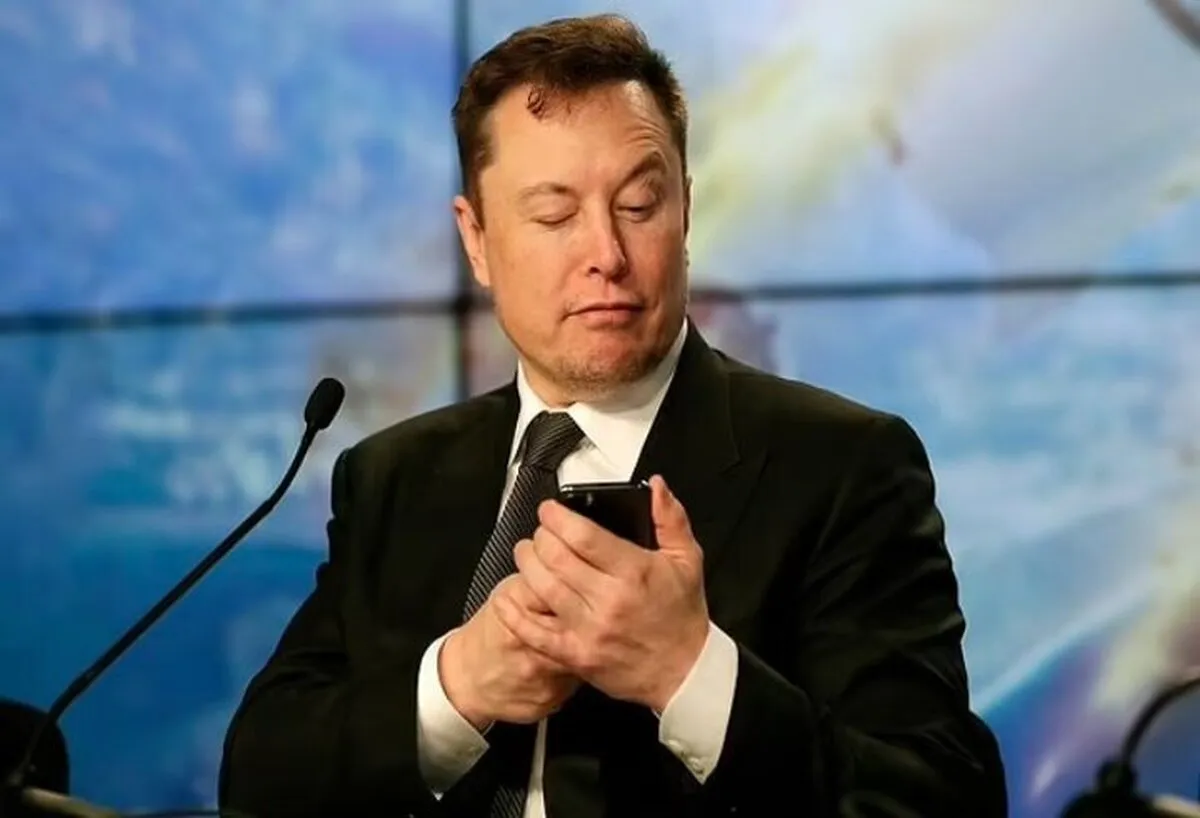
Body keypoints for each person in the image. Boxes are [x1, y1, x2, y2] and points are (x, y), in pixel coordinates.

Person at [218, 13, 1007, 818]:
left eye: (638, 204)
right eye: (555, 215)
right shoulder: (394, 479)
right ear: (477, 240)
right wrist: (458, 687)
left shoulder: (844, 468)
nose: (606, 254)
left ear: (685, 211)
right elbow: (260, 780)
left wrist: (688, 671)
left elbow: (936, 798)